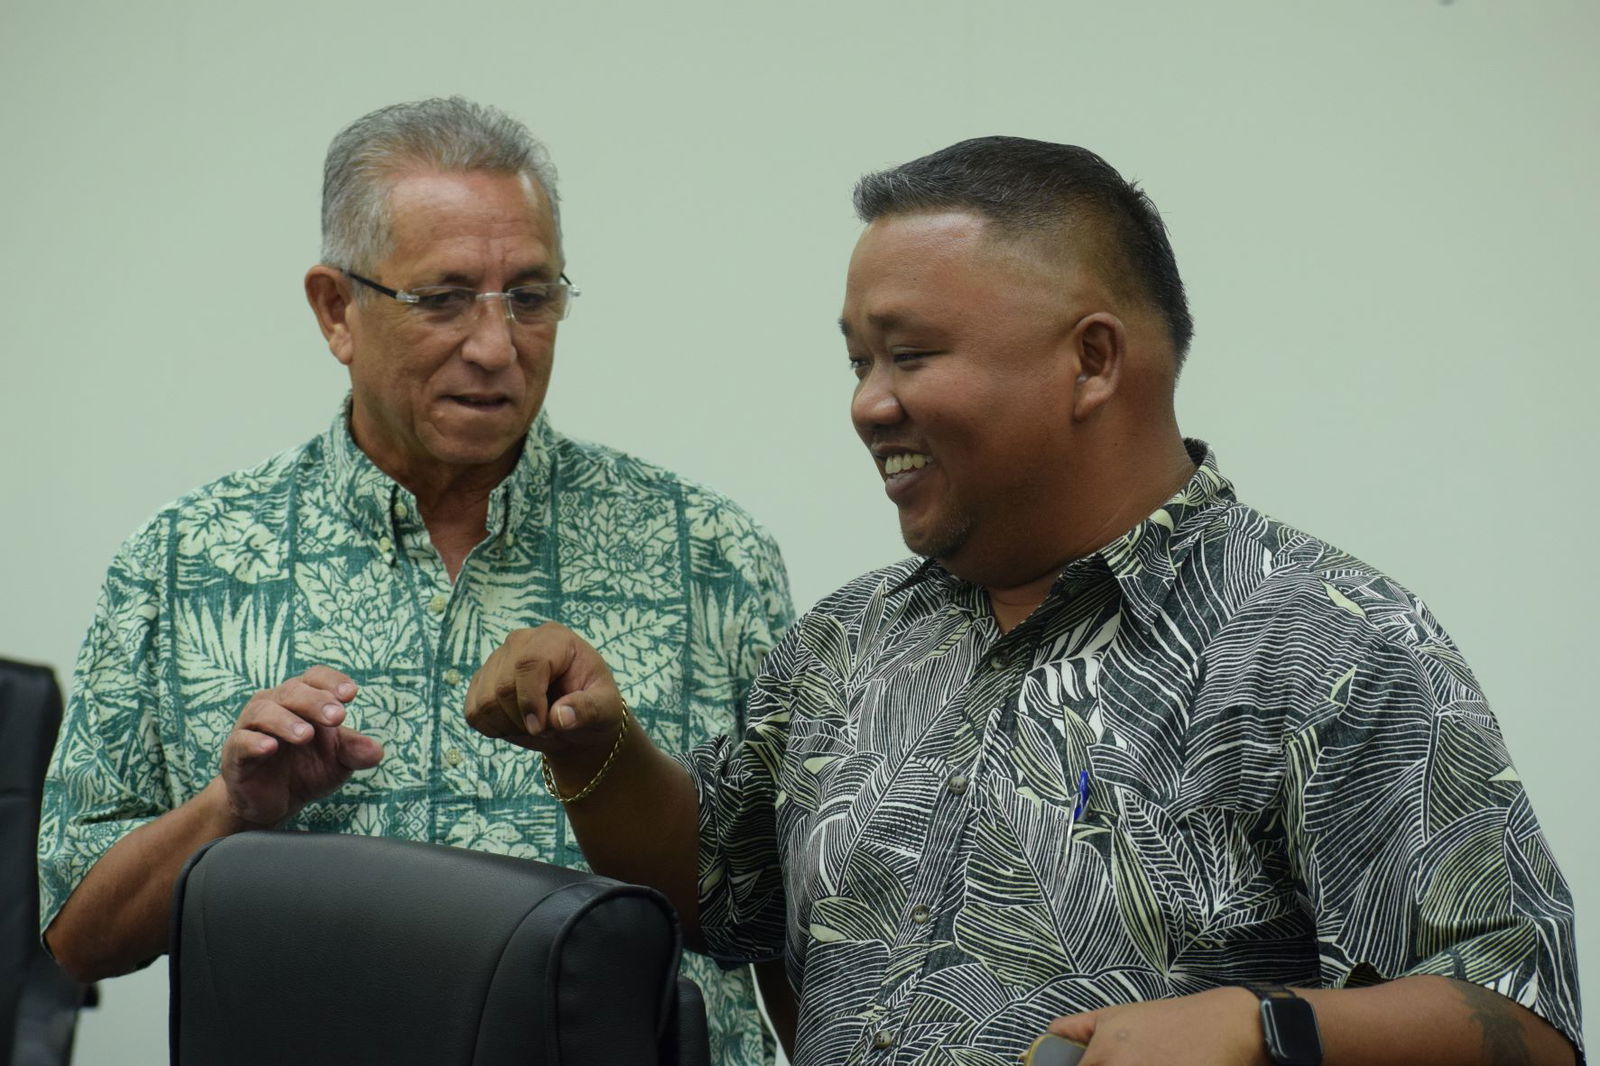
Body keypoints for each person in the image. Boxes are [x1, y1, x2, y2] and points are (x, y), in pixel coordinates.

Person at [464, 137, 1583, 1065]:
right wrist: (591, 747)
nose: (866, 404)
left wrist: (1261, 1027)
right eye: (855, 360)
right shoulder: (844, 644)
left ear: (1092, 361)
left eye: (907, 355)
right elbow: (719, 889)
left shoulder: (1326, 643)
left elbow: (1526, 1021)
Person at [37, 97, 794, 1065]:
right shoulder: (187, 559)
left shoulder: (707, 552)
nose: (495, 345)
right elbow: (75, 936)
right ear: (335, 309)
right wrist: (230, 813)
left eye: (530, 295)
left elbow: (791, 919)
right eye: (442, 299)